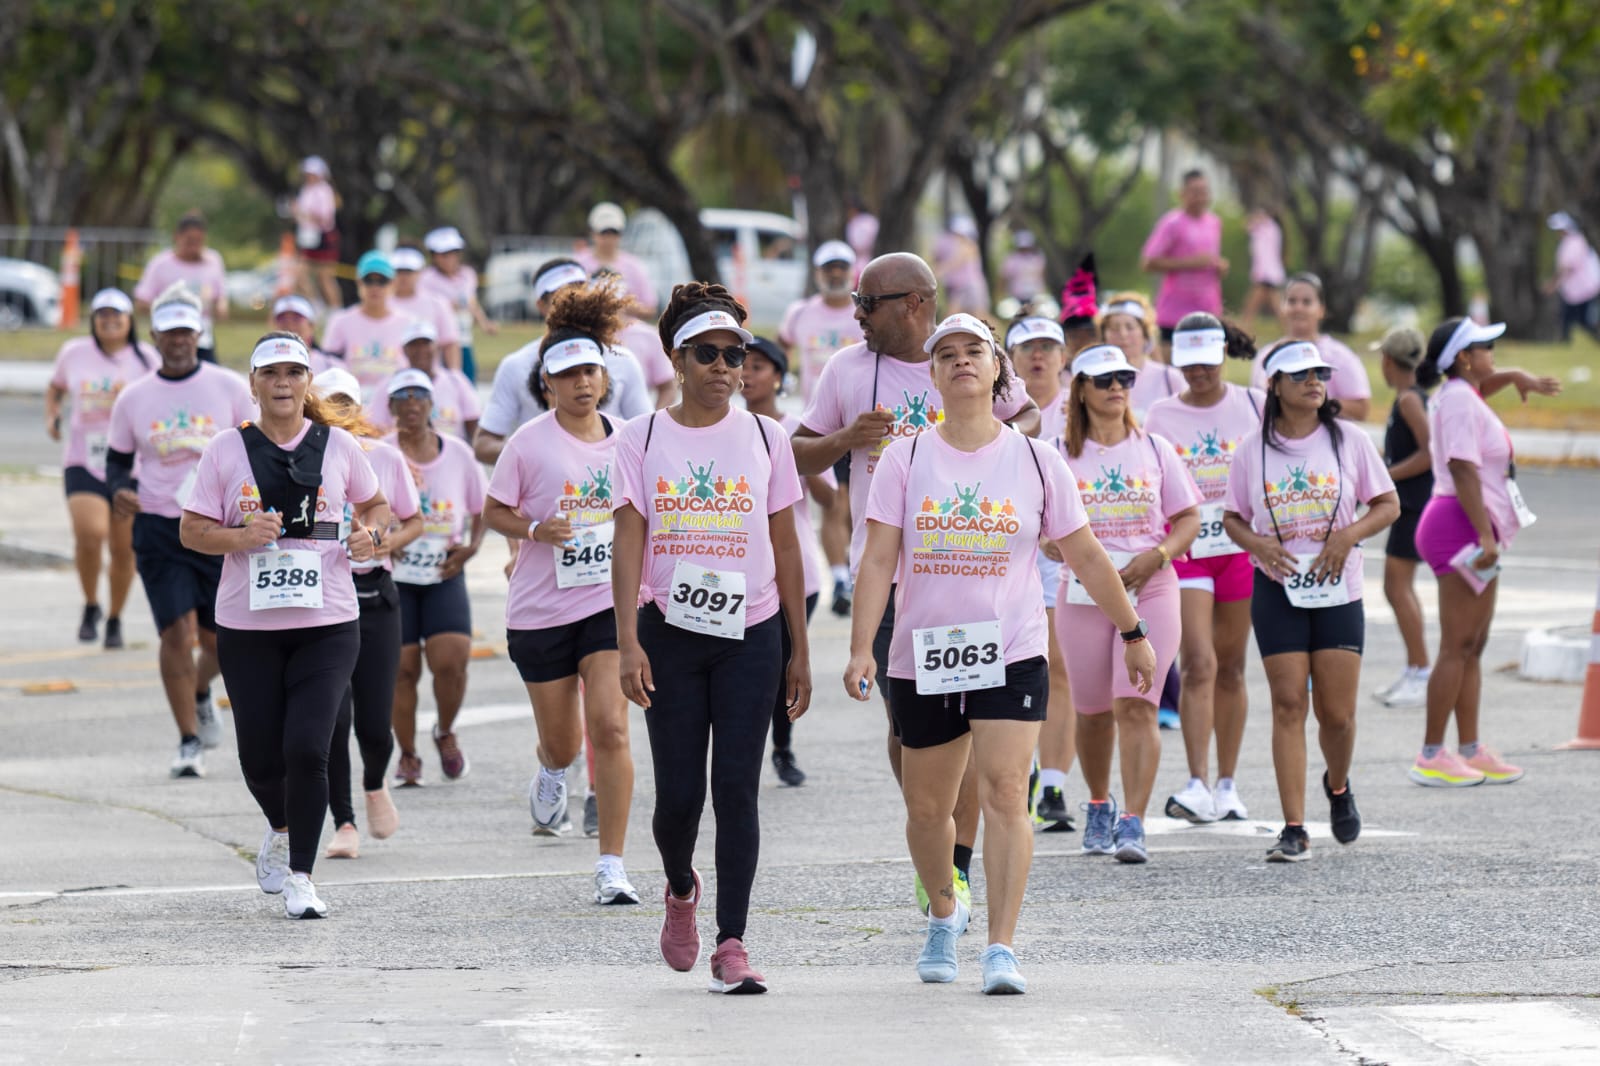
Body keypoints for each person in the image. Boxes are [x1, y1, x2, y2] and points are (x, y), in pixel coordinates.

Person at [847, 314, 1154, 993]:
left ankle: (1001, 947)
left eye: (974, 353)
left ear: (996, 371)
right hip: (922, 653)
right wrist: (861, 648)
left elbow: (1086, 555)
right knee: (928, 812)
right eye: (946, 354)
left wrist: (1132, 632)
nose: (960, 362)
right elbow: (876, 561)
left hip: (1012, 649)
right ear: (932, 376)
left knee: (1007, 791)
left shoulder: (1038, 460)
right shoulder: (906, 457)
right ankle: (944, 913)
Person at [792, 252, 1039, 912]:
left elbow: (1029, 418)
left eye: (866, 304)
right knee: (910, 732)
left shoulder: (968, 362)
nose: (857, 316)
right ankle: (936, 832)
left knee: (966, 727)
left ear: (912, 304)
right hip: (888, 575)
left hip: (967, 567)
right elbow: (795, 450)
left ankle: (954, 867)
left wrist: (988, 455)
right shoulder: (848, 369)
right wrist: (847, 438)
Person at [612, 282, 812, 994]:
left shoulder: (767, 436)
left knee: (737, 787)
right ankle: (678, 886)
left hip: (750, 631)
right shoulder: (639, 438)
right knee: (677, 799)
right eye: (709, 354)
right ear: (677, 358)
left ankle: (733, 942)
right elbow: (627, 543)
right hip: (668, 633)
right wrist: (627, 642)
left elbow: (786, 546)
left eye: (736, 355)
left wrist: (798, 649)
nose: (725, 367)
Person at [178, 332, 388, 918]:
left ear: (306, 383)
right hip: (247, 626)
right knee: (261, 760)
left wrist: (370, 535)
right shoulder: (226, 449)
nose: (283, 383)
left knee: (307, 747)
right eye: (271, 374)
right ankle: (279, 825)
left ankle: (302, 876)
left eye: (294, 373)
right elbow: (191, 530)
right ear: (253, 385)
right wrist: (240, 537)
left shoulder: (340, 446)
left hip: (329, 620)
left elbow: (378, 508)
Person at [482, 282, 640, 903]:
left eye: (590, 373)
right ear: (546, 385)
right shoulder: (527, 444)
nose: (581, 385)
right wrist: (533, 530)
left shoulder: (631, 438)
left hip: (608, 606)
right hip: (541, 612)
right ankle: (552, 771)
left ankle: (612, 866)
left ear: (605, 378)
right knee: (564, 741)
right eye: (567, 376)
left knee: (612, 728)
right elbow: (494, 510)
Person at [1222, 340, 1399, 862]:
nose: (1314, 381)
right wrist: (1256, 544)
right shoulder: (1251, 450)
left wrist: (1347, 537)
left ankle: (1338, 787)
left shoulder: (1350, 441)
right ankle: (1294, 827)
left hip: (1338, 591)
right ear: (1274, 385)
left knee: (1337, 715)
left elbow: (1386, 504)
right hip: (1276, 589)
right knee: (1288, 703)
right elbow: (1232, 516)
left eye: (1320, 372)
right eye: (1299, 375)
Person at [1055, 344, 1201, 863]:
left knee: (1137, 704)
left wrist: (1158, 554)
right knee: (1093, 712)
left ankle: (1133, 820)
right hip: (1083, 593)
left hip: (1151, 586)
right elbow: (1039, 521)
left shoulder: (1155, 448)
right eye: (1105, 379)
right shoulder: (1058, 453)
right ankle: (1098, 802)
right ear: (1081, 390)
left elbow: (1188, 518)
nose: (1117, 387)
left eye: (1124, 378)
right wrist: (1056, 547)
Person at [106, 285, 255, 777]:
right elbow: (116, 462)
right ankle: (188, 739)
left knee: (219, 643)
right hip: (158, 528)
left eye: (186, 333)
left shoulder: (229, 387)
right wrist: (117, 490)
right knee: (176, 633)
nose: (178, 341)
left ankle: (198, 689)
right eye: (169, 333)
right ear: (154, 336)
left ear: (199, 333)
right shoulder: (134, 398)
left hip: (216, 529)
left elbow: (255, 451)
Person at [1408, 317, 1560, 788]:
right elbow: (1462, 467)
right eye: (1484, 346)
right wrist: (1485, 536)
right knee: (1456, 646)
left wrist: (1514, 376)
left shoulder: (1463, 394)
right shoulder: (1455, 401)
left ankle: (1471, 748)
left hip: (1471, 526)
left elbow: (1480, 390)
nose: (1493, 350)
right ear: (1463, 358)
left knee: (1474, 645)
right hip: (1459, 526)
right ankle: (1432, 754)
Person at [1146, 313, 1264, 823]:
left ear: (1222, 356)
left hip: (1240, 549)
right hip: (1189, 550)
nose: (1197, 373)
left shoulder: (1254, 404)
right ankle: (1196, 782)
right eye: (1188, 364)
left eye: (1207, 363)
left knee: (1233, 668)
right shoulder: (1159, 416)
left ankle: (1228, 784)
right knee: (1199, 662)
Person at [314, 367, 420, 860]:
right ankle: (344, 821)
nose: (337, 413)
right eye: (328, 402)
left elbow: (413, 519)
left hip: (376, 596)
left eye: (345, 403)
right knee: (333, 718)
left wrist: (379, 541)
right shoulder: (303, 457)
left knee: (375, 723)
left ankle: (375, 783)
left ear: (359, 409)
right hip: (322, 598)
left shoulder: (385, 458)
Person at [386, 369, 487, 786]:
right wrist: (388, 539)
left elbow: (482, 508)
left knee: (451, 660)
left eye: (419, 396)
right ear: (389, 406)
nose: (412, 404)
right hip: (396, 574)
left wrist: (472, 548)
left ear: (433, 405)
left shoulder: (458, 453)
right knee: (403, 668)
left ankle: (445, 731)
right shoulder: (380, 452)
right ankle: (407, 755)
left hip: (444, 569)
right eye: (402, 397)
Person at [742, 335, 835, 787]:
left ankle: (782, 746)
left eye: (758, 366)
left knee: (782, 664)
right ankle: (743, 750)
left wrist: (805, 459)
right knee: (751, 670)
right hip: (741, 573)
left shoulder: (798, 428)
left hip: (797, 572)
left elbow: (829, 498)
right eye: (743, 365)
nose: (747, 374)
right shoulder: (727, 426)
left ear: (779, 376)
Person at [45, 288, 152, 648]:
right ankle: (91, 603)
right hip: (83, 460)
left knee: (124, 548)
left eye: (116, 314)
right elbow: (55, 387)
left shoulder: (146, 358)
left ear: (128, 320)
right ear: (93, 320)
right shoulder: (74, 353)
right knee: (90, 535)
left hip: (130, 466)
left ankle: (115, 618)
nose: (109, 320)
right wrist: (52, 414)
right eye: (102, 314)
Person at [1006, 315, 1077, 829]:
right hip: (1006, 553)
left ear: (1064, 355)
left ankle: (1053, 784)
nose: (1038, 355)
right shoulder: (990, 409)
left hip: (1065, 553)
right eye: (1027, 346)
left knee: (1058, 662)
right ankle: (1020, 769)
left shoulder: (1082, 405)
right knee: (1013, 663)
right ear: (1007, 358)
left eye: (1048, 346)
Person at [475, 263, 652, 467]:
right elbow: (483, 445)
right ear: (541, 305)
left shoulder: (623, 360)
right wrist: (531, 452)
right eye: (560, 296)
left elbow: (646, 436)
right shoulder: (516, 365)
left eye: (579, 292)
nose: (572, 302)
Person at [778, 239, 864, 616]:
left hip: (860, 420)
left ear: (851, 271)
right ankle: (842, 575)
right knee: (834, 502)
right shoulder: (801, 314)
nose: (835, 273)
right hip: (819, 423)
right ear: (817, 273)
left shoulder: (863, 312)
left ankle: (851, 569)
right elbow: (781, 346)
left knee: (850, 503)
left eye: (841, 267)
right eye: (828, 267)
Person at [1371, 327, 1435, 708]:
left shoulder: (1410, 401)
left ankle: (1421, 670)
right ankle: (1415, 668)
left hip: (1414, 504)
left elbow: (1430, 452)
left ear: (1390, 362)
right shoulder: (1406, 399)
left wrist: (1385, 476)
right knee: (1397, 589)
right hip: (1408, 502)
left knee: (1397, 588)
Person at [1249, 274, 1372, 421]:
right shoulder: (1267, 355)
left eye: (1307, 302)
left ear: (1321, 310)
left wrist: (1313, 402)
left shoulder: (1340, 356)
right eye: (1292, 301)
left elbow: (1361, 409)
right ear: (1282, 307)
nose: (1298, 308)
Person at [1139, 169, 1226, 351]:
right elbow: (1148, 263)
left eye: (1205, 192)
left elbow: (1210, 261)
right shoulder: (1172, 223)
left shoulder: (1214, 222)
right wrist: (1190, 263)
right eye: (1195, 192)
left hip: (1207, 308)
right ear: (1182, 194)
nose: (1201, 197)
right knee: (1173, 371)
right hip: (1175, 313)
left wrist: (1219, 267)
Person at [133, 212, 228, 363]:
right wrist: (169, 307)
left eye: (199, 241)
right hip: (169, 333)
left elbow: (220, 295)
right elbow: (141, 301)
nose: (194, 246)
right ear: (177, 236)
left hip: (201, 336)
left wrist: (220, 306)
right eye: (190, 240)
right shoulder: (160, 264)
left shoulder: (213, 261)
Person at [321, 250, 412, 407]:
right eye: (369, 281)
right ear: (359, 283)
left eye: (382, 281)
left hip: (396, 403)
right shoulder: (341, 321)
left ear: (392, 284)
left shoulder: (408, 323)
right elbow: (328, 364)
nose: (375, 287)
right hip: (351, 403)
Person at [367, 320, 481, 442]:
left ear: (436, 347)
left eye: (426, 343)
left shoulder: (456, 381)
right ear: (404, 349)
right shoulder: (389, 385)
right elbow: (374, 429)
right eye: (414, 344)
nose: (421, 349)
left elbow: (474, 425)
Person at [420, 226, 497, 381]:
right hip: (438, 342)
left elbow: (471, 302)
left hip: (463, 338)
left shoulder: (467, 275)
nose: (450, 258)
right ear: (434, 256)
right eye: (444, 254)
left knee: (466, 380)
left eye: (453, 253)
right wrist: (448, 306)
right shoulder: (427, 279)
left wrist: (484, 323)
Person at [1099, 291, 1187, 421]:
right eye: (1114, 328)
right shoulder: (1094, 381)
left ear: (1145, 335)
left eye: (1130, 327)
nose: (1123, 334)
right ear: (1104, 337)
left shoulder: (1170, 378)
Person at [574, 203, 658, 319]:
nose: (609, 239)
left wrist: (624, 306)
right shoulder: (578, 264)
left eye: (614, 233)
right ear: (592, 233)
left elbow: (650, 308)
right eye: (604, 233)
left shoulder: (633, 266)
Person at [389, 247, 462, 367]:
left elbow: (450, 343)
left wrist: (454, 376)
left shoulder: (437, 303)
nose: (403, 276)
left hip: (428, 375)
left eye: (408, 271)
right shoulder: (381, 303)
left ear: (419, 273)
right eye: (398, 271)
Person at [292, 156, 340, 310]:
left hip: (323, 237)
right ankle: (315, 306)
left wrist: (302, 213)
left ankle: (335, 310)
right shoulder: (306, 190)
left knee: (325, 277)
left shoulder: (324, 191)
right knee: (300, 274)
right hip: (308, 236)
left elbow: (323, 218)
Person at [1544, 212, 1600, 344]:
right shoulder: (1568, 242)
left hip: (1584, 289)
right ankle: (1565, 341)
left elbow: (1567, 268)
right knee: (1568, 319)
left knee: (1583, 321)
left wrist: (1553, 285)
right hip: (1574, 290)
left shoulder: (1575, 242)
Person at [933, 216, 991, 316]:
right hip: (959, 288)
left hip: (970, 286)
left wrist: (939, 271)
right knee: (954, 316)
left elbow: (955, 262)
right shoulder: (956, 246)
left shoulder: (969, 246)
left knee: (980, 316)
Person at [1241, 207, 1285, 332]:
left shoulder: (1270, 229)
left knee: (1253, 303)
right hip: (1267, 272)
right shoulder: (1265, 228)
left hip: (1267, 272)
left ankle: (1245, 326)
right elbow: (1247, 227)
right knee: (1274, 304)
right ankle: (1245, 325)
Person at [272, 296, 331, 370]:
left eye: (297, 317)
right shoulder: (261, 363)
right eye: (282, 318)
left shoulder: (330, 364)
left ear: (311, 325)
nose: (289, 323)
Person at [1001, 229, 1048, 303]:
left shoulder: (1038, 258)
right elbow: (1004, 277)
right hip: (1017, 296)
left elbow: (1041, 275)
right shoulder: (1011, 259)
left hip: (1036, 294)